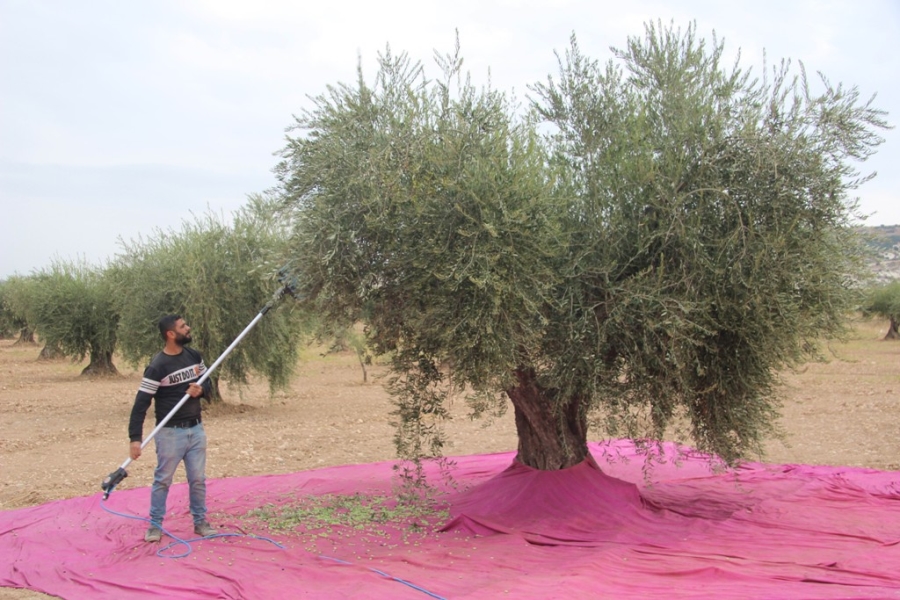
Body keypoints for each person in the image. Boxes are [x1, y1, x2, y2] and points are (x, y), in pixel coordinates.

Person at [128, 314, 216, 543]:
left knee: (197, 478)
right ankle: (155, 525)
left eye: (186, 324)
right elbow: (141, 403)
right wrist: (135, 438)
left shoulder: (194, 356)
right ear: (170, 334)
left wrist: (202, 389)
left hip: (196, 429)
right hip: (170, 433)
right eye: (183, 326)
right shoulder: (157, 367)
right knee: (163, 480)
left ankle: (200, 522)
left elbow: (208, 382)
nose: (188, 328)